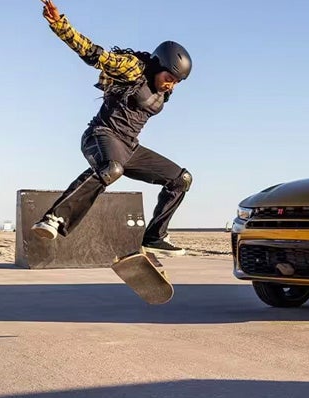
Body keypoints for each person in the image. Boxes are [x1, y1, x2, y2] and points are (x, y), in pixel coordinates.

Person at [31, 0, 193, 256]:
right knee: (112, 168)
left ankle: (154, 236)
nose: (170, 86)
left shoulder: (164, 91)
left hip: (130, 147)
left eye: (176, 83)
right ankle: (54, 217)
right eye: (168, 79)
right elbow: (95, 54)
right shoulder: (133, 69)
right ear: (158, 66)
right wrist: (61, 25)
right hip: (101, 135)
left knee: (180, 179)